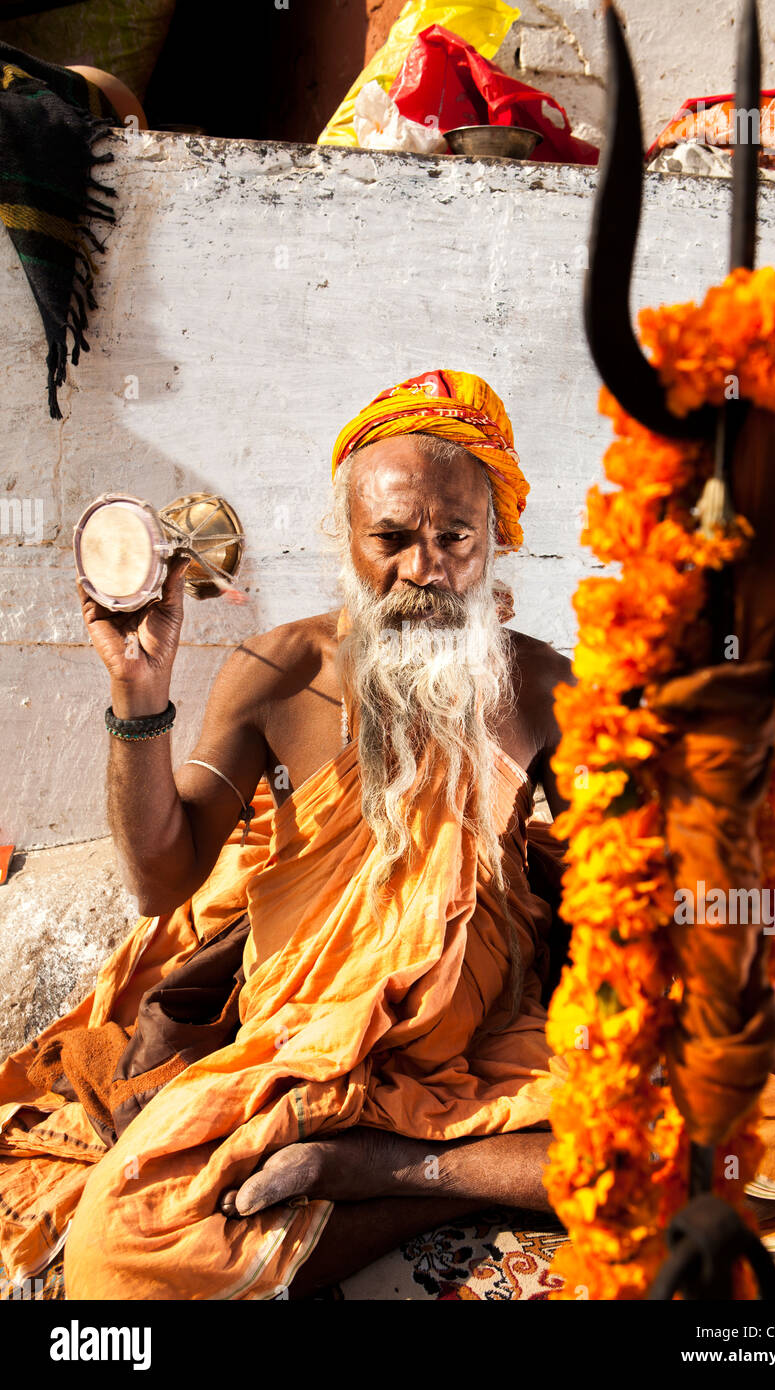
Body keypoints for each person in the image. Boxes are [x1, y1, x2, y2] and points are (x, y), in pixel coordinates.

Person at [61, 368, 579, 1298]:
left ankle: (391, 1171)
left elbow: (621, 882)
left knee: (732, 1146)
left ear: (496, 542)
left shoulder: (539, 684)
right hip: (300, 1047)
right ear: (343, 537)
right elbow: (158, 884)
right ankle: (440, 1171)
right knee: (116, 1252)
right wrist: (138, 695)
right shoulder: (278, 670)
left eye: (454, 537)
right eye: (391, 537)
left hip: (482, 1046)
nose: (423, 568)